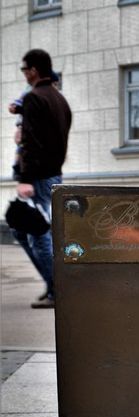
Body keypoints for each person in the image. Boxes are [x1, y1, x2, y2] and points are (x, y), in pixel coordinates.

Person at [11, 50, 72, 309]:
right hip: (52, 174)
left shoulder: (35, 98)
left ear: (34, 70)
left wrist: (26, 178)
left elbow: (31, 142)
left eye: (25, 69)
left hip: (37, 177)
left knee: (39, 234)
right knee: (19, 227)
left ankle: (58, 291)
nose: (24, 74)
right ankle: (52, 285)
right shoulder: (60, 100)